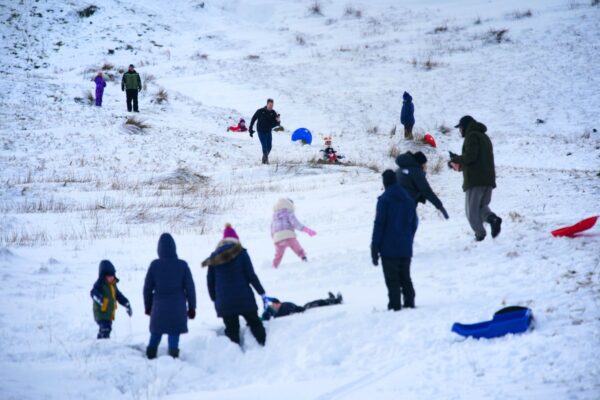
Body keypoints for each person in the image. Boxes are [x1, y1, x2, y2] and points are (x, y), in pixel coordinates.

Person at [202, 224, 268, 346]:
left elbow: (210, 281)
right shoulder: (242, 253)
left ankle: (234, 352)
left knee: (231, 330)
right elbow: (251, 275)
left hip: (224, 302)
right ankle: (264, 345)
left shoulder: (213, 257)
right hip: (244, 299)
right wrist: (262, 293)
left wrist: (214, 298)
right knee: (255, 323)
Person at [143, 233, 196, 359]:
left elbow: (147, 289)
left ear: (159, 249)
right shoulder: (182, 265)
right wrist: (192, 308)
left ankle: (150, 356)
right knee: (174, 334)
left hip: (158, 309)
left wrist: (148, 306)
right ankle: (173, 357)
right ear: (174, 248)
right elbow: (190, 288)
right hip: (177, 309)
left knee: (155, 334)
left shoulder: (154, 265)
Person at [449, 115, 502, 241]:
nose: (460, 131)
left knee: (471, 211)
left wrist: (455, 159)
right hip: (488, 179)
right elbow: (477, 159)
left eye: (460, 128)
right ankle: (493, 219)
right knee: (482, 207)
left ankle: (480, 235)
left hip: (475, 180)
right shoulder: (484, 137)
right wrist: (459, 160)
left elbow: (470, 157)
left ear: (465, 127)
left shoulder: (471, 136)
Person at [371, 170, 418, 310]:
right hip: (405, 247)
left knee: (392, 280)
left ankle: (394, 306)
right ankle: (410, 303)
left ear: (385, 182)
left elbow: (379, 224)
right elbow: (414, 223)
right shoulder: (409, 199)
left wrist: (375, 246)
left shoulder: (384, 200)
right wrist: (409, 238)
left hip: (388, 249)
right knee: (405, 277)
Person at [395, 151, 448, 219]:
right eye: (425, 164)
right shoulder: (415, 171)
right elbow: (426, 191)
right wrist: (440, 206)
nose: (426, 166)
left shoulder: (399, 170)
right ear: (421, 164)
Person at [90, 260, 132, 339]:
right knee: (106, 329)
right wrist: (100, 300)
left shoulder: (113, 285)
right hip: (101, 313)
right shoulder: (100, 284)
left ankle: (100, 342)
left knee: (106, 329)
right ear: (103, 276)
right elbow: (93, 292)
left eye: (112, 275)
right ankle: (103, 343)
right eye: (109, 276)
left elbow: (119, 296)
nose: (112, 277)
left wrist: (126, 303)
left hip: (108, 314)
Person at [271, 198, 316, 268]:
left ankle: (274, 266)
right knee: (298, 249)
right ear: (289, 204)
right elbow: (296, 223)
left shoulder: (274, 216)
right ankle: (304, 258)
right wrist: (307, 230)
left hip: (278, 239)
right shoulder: (288, 212)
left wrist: (274, 238)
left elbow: (272, 228)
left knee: (278, 255)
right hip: (288, 236)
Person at [261, 292, 343, 321]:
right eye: (273, 306)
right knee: (318, 303)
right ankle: (337, 301)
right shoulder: (282, 311)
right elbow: (291, 311)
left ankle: (331, 299)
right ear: (275, 311)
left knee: (318, 301)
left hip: (303, 307)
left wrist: (267, 298)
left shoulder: (280, 306)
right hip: (304, 310)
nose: (274, 304)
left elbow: (276, 300)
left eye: (273, 304)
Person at [249, 98, 280, 164]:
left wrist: (278, 121)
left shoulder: (273, 112)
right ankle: (266, 161)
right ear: (267, 104)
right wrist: (250, 129)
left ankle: (264, 158)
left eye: (272, 105)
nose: (271, 107)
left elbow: (277, 123)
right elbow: (253, 119)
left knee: (269, 147)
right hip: (261, 131)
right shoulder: (260, 111)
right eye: (270, 105)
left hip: (268, 131)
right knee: (264, 146)